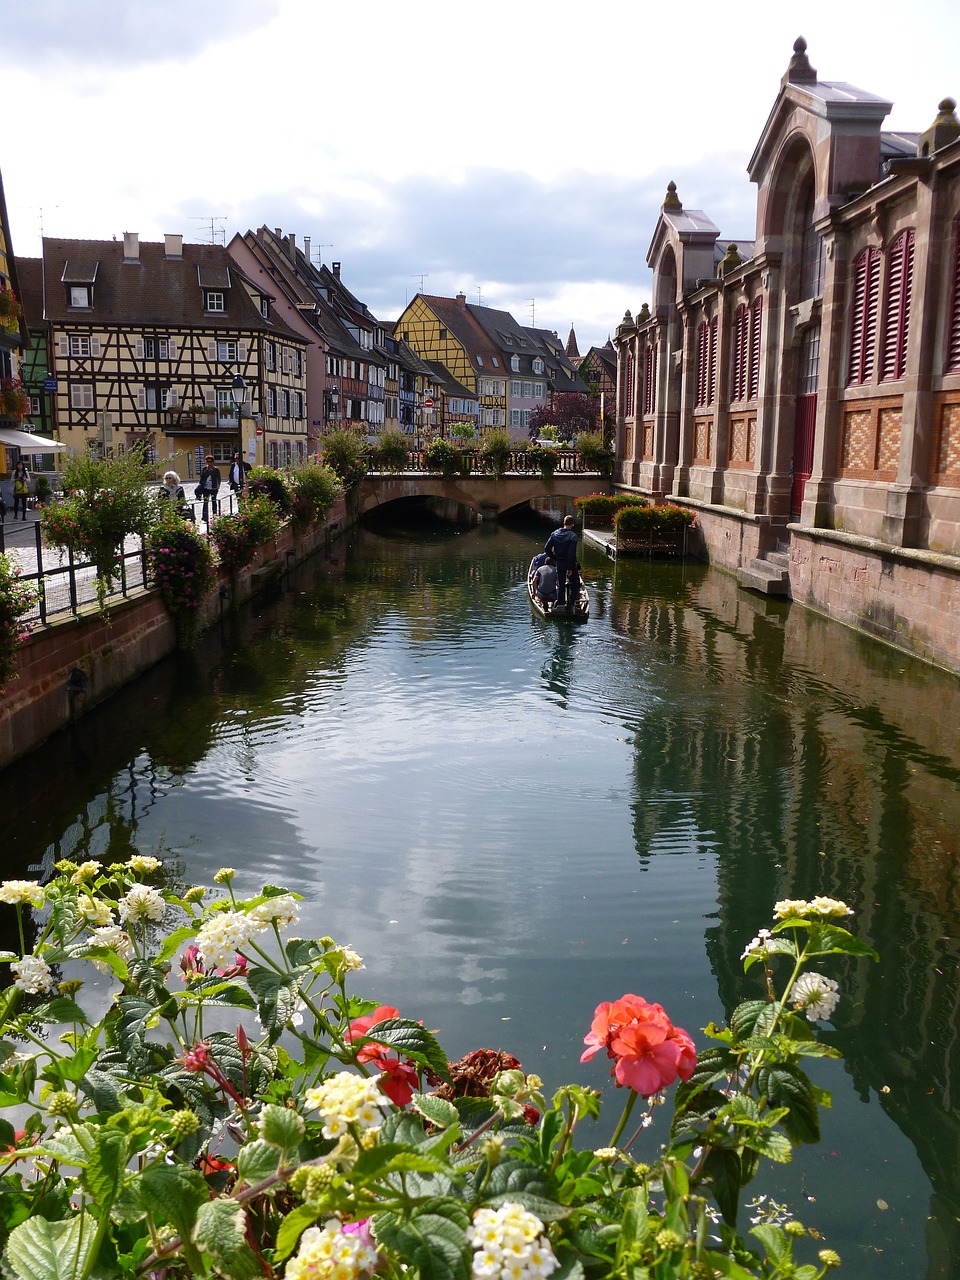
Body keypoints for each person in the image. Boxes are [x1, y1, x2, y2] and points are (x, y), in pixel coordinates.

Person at [545, 515, 578, 606]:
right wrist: (570, 568)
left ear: (563, 523)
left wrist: (555, 558)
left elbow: (547, 548)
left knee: (561, 583)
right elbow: (571, 553)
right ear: (572, 524)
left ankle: (560, 603)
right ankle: (572, 603)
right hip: (569, 563)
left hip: (559, 563)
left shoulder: (555, 534)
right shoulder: (573, 536)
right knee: (575, 583)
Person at [196, 454, 221, 522]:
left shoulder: (216, 469)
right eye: (208, 461)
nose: (209, 463)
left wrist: (218, 486)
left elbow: (218, 478)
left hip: (213, 488)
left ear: (213, 462)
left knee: (214, 501)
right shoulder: (204, 469)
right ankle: (205, 517)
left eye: (210, 461)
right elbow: (202, 478)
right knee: (205, 502)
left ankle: (215, 515)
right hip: (206, 488)